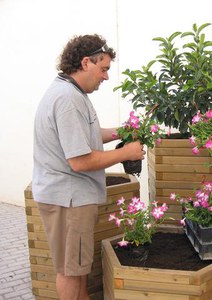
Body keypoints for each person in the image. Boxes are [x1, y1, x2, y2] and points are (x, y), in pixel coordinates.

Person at [32, 34, 145, 300]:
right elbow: (80, 160)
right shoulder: (68, 100)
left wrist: (123, 131)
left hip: (68, 199)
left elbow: (86, 136)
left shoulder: (69, 92)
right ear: (86, 62)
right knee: (71, 273)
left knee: (76, 270)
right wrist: (126, 153)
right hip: (68, 200)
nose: (106, 76)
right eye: (103, 68)